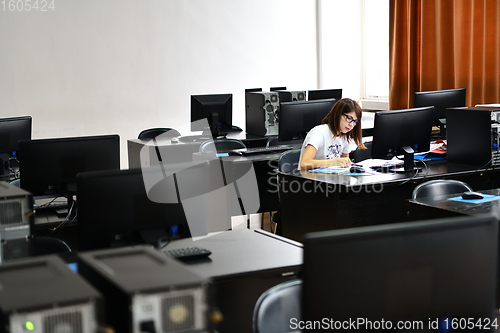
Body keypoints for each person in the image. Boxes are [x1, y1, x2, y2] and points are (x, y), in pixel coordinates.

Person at [299, 98, 366, 171]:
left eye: (355, 121)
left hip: (332, 179)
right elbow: (304, 164)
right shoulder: (319, 133)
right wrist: (335, 162)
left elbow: (345, 166)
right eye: (349, 118)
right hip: (311, 179)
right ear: (338, 114)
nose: (351, 124)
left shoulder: (345, 137)